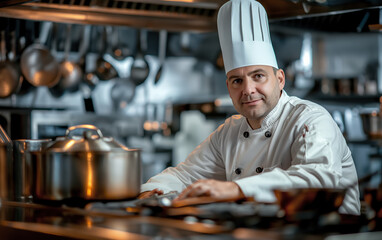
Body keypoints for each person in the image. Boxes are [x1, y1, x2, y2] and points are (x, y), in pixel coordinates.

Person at [139, 0, 360, 215]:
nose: (248, 90)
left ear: (280, 79)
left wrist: (236, 189)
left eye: (258, 76)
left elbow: (316, 179)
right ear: (228, 86)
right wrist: (152, 191)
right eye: (237, 80)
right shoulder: (229, 133)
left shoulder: (311, 119)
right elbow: (184, 176)